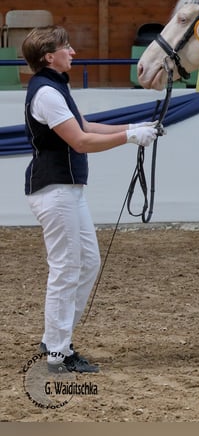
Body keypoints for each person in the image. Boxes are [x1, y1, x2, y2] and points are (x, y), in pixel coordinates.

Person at [22, 25, 158, 374]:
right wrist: (129, 137)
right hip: (55, 191)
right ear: (49, 56)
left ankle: (58, 337)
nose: (73, 52)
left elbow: (84, 124)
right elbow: (80, 142)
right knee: (66, 268)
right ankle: (57, 351)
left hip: (67, 190)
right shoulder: (47, 94)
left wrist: (135, 126)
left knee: (87, 264)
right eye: (66, 47)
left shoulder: (54, 88)